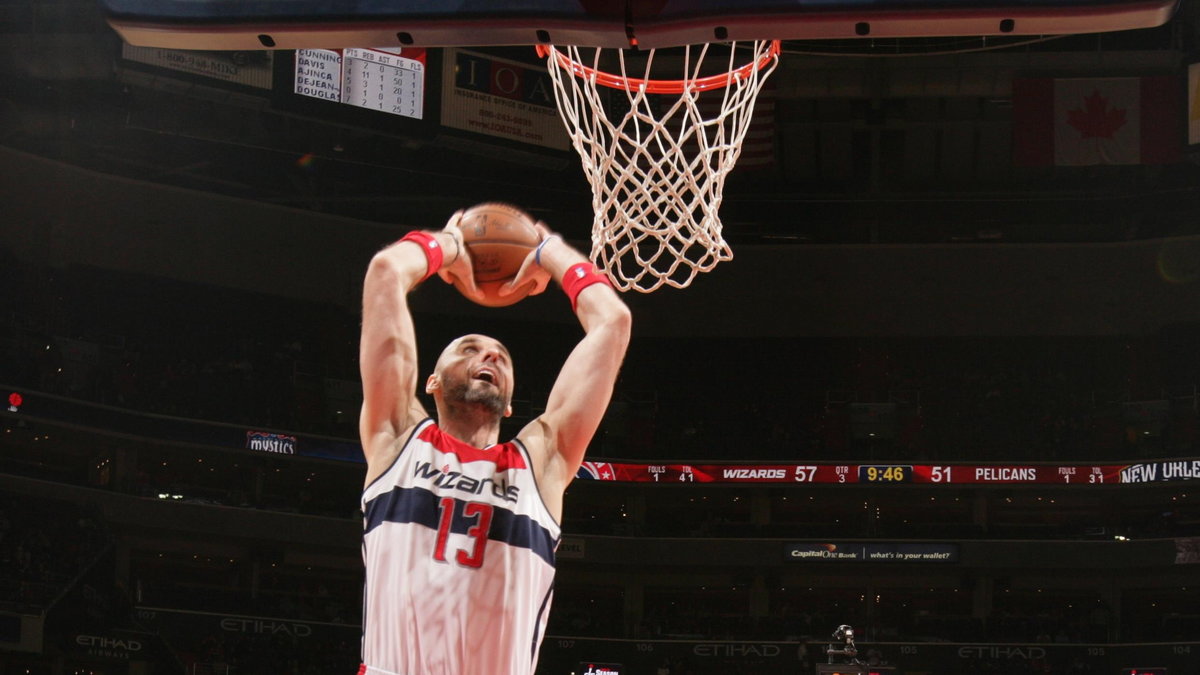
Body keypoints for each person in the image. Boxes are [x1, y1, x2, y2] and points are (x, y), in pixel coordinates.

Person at [356, 209, 632, 675]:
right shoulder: (398, 435)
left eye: (500, 357)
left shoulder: (542, 461)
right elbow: (386, 272)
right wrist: (448, 244)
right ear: (432, 383)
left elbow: (613, 322)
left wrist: (549, 250)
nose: (488, 355)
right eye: (468, 349)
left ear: (508, 405)